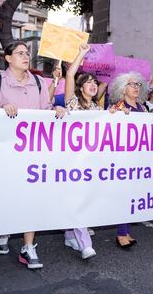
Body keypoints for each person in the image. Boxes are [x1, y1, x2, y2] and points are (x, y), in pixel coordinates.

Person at [0, 41, 65, 269]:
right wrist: (1, 111)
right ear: (8, 58)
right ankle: (4, 229)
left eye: (27, 53)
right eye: (19, 53)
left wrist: (55, 110)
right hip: (4, 151)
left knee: (31, 197)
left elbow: (45, 109)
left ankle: (28, 247)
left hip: (33, 151)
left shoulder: (38, 81)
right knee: (7, 194)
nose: (25, 56)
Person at [109, 71, 153, 248]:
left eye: (138, 84)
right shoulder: (118, 106)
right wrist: (116, 113)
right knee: (124, 195)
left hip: (139, 160)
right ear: (123, 89)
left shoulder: (143, 108)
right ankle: (121, 234)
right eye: (132, 84)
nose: (136, 87)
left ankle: (126, 230)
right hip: (123, 160)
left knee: (131, 196)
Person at [61, 43, 103, 259]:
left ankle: (70, 235)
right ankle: (85, 242)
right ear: (79, 87)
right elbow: (69, 74)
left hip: (91, 162)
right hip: (72, 161)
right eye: (88, 82)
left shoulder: (99, 109)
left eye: (94, 82)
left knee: (81, 200)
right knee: (77, 200)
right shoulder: (72, 103)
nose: (93, 84)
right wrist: (82, 53)